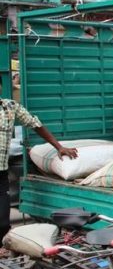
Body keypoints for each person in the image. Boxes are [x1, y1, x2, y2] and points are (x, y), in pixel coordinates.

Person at [0, 92, 78, 240]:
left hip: (1, 173)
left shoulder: (10, 106)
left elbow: (35, 124)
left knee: (3, 223)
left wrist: (58, 147)